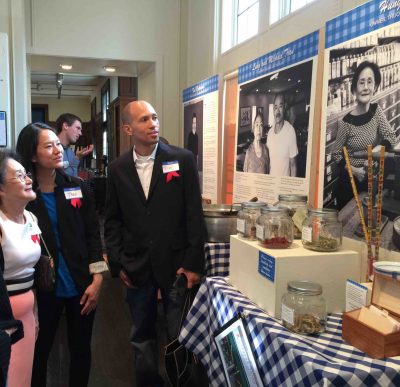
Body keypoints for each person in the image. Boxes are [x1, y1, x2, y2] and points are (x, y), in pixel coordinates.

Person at [105, 100, 205, 387]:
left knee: (181, 335)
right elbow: (112, 220)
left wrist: (193, 263)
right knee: (141, 335)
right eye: (144, 119)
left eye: (155, 117)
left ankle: (182, 383)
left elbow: (193, 215)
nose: (153, 124)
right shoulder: (118, 169)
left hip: (176, 267)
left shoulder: (182, 159)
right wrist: (117, 262)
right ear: (128, 128)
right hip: (136, 267)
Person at [16, 123, 108, 387]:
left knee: (81, 351)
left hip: (81, 285)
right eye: (49, 146)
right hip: (41, 290)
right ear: (32, 156)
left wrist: (98, 278)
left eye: (58, 143)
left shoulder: (76, 186)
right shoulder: (24, 195)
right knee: (39, 353)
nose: (58, 150)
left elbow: (93, 234)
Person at [0, 150, 41, 387]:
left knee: (22, 379)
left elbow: (30, 273)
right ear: (2, 189)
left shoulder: (30, 218)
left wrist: (34, 313)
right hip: (4, 320)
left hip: (27, 314)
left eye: (26, 174)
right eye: (19, 176)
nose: (28, 179)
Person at [332, 61, 396, 209]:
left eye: (369, 82)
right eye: (361, 82)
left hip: (369, 181)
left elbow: (390, 137)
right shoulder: (346, 122)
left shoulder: (376, 111)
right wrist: (355, 171)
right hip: (350, 184)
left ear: (375, 86)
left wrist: (374, 152)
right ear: (354, 89)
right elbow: (335, 154)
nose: (366, 87)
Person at [267, 93, 298, 176]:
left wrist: (291, 188)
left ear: (285, 107)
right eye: (275, 107)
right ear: (273, 109)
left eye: (280, 107)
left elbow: (293, 165)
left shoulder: (290, 131)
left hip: (284, 186)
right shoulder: (270, 133)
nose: (277, 111)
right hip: (271, 183)